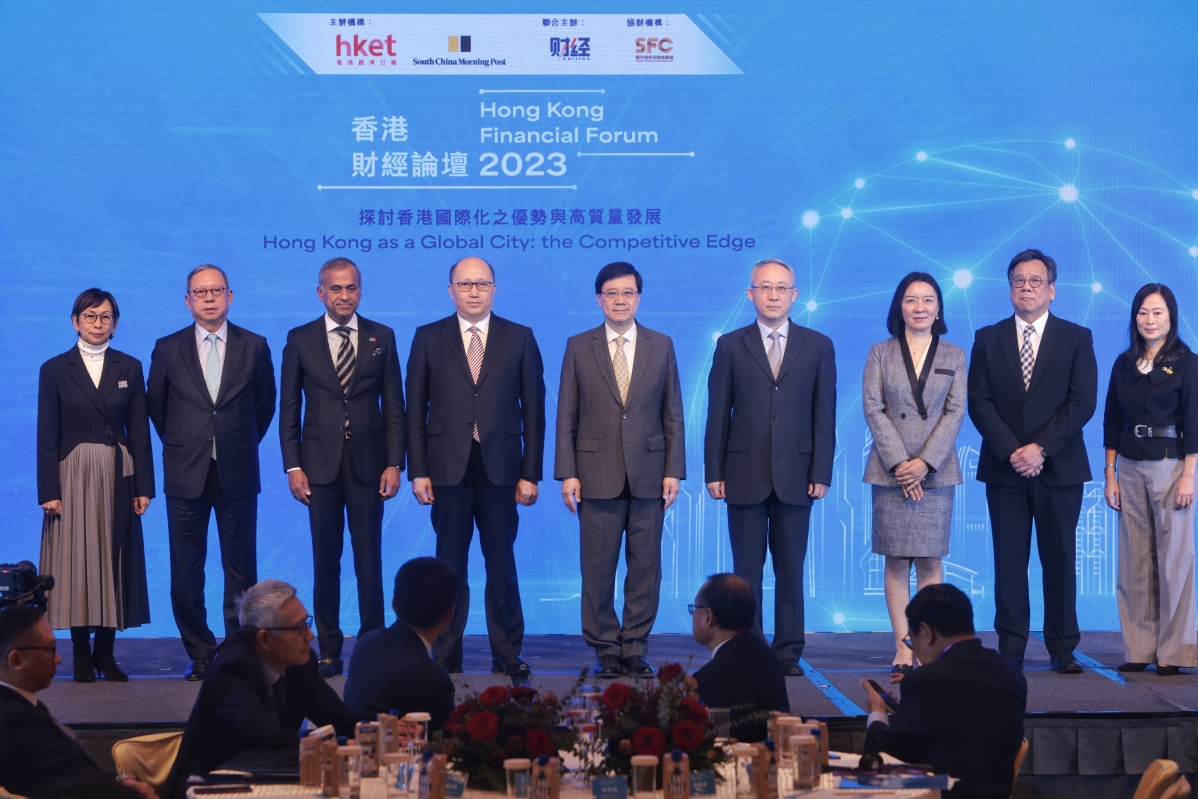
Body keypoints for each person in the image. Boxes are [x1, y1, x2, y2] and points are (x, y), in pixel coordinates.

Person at [406, 256, 545, 678]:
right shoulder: (428, 337)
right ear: (450, 290)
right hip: (446, 469)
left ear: (494, 289)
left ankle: (507, 652)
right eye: (465, 284)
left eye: (481, 284)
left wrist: (530, 473)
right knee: (448, 568)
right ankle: (445, 653)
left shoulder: (520, 337)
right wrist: (418, 470)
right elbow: (414, 410)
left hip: (502, 469)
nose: (473, 291)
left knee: (502, 565)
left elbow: (534, 411)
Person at [966, 249, 1096, 673]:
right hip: (1005, 468)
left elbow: (1082, 403)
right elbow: (979, 402)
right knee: (1009, 561)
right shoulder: (987, 338)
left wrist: (1040, 449)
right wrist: (1013, 451)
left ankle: (1062, 646)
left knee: (1060, 559)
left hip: (1059, 467)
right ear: (1009, 290)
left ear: (1052, 290)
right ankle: (1011, 647)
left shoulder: (1077, 337)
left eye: (1035, 280)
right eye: (1018, 280)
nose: (1027, 287)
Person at [704, 258, 835, 676]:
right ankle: (749, 649)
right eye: (765, 287)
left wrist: (821, 471)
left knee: (790, 570)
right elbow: (717, 412)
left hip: (798, 473)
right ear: (751, 294)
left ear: (794, 295)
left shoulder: (818, 345)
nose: (773, 295)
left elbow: (824, 414)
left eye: (781, 288)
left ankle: (788, 651)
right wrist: (713, 470)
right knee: (745, 575)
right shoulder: (730, 345)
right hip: (743, 472)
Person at [147, 264, 277, 681]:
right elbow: (157, 407)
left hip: (237, 470)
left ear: (230, 296)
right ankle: (201, 652)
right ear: (187, 301)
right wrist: (186, 444)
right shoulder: (168, 348)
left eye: (216, 291)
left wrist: (237, 442)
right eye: (200, 292)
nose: (208, 298)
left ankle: (238, 652)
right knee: (186, 572)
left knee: (241, 571)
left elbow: (265, 405)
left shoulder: (254, 345)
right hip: (186, 473)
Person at [556, 261, 685, 678]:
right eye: (611, 293)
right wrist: (567, 472)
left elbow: (673, 413)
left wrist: (674, 470)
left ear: (638, 298)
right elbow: (566, 414)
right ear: (599, 299)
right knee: (597, 568)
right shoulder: (579, 345)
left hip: (650, 473)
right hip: (595, 473)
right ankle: (605, 648)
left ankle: (635, 647)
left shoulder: (661, 344)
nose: (620, 300)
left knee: (645, 568)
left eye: (628, 293)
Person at [280, 257, 405, 678]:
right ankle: (328, 650)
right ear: (321, 293)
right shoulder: (300, 338)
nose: (344, 295)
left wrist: (395, 462)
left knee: (369, 561)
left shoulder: (382, 336)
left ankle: (372, 647)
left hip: (370, 465)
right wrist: (293, 466)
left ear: (360, 291)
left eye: (351, 288)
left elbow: (395, 406)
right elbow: (289, 408)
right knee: (325, 561)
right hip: (318, 467)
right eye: (336, 289)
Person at [36, 289, 154, 682]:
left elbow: (139, 431)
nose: (98, 323)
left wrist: (144, 486)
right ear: (75, 321)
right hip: (72, 474)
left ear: (115, 324)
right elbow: (46, 434)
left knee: (112, 558)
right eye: (90, 316)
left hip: (118, 472)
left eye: (105, 317)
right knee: (77, 560)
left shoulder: (130, 367)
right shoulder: (55, 369)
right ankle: (81, 654)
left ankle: (106, 653)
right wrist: (48, 491)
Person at [162, 580, 360, 799]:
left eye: (307, 622)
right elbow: (266, 737)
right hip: (211, 787)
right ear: (265, 639)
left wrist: (372, 734)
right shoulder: (230, 670)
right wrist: (332, 746)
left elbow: (340, 721)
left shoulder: (300, 660)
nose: (310, 636)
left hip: (268, 778)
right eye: (299, 627)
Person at [862, 273, 966, 674]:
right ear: (899, 306)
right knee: (895, 561)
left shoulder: (954, 355)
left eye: (927, 300)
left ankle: (928, 647)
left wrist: (924, 463)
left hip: (935, 473)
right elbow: (873, 408)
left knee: (930, 562)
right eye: (911, 300)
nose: (919, 307)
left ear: (938, 308)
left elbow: (955, 412)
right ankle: (903, 647)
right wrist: (901, 464)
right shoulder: (880, 352)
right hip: (891, 471)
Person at [1102, 284, 1198, 675]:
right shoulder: (1124, 363)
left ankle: (1174, 653)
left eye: (1157, 312)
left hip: (1171, 465)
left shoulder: (1187, 362)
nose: (1150, 320)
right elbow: (1111, 420)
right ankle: (1139, 649)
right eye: (1143, 312)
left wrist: (1189, 475)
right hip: (1128, 465)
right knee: (1134, 561)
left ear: (1171, 317)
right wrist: (1110, 474)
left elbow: (1194, 422)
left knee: (1174, 561)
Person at [861, 583, 1027, 799]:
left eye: (911, 641)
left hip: (940, 791)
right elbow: (964, 716)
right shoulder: (1011, 671)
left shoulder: (926, 680)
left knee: (853, 782)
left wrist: (878, 712)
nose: (914, 648)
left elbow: (881, 758)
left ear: (926, 632)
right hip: (998, 793)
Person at [0, 605, 156, 798]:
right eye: (50, 649)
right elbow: (74, 784)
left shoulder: (18, 705)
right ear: (16, 660)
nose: (58, 659)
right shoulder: (17, 723)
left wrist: (120, 780)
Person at [343, 557, 458, 728]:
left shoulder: (366, 641)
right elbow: (447, 740)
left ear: (394, 603)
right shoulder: (433, 679)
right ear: (449, 615)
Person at [690, 573, 789, 742]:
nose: (692, 614)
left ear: (708, 616)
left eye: (694, 608)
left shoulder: (708, 679)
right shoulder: (768, 656)